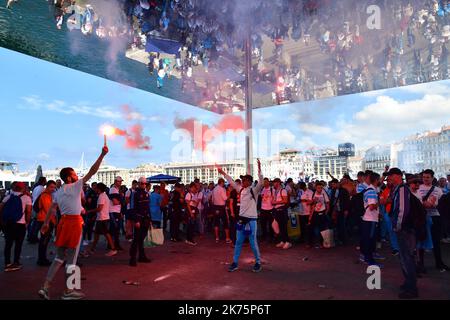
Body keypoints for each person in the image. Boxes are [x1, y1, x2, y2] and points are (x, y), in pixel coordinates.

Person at [38, 146, 108, 300]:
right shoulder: (76, 187)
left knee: (58, 257)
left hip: (62, 224)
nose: (77, 176)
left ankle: (45, 286)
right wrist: (102, 155)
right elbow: (92, 171)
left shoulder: (58, 191)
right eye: (75, 174)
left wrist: (45, 223)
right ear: (69, 178)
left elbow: (51, 208)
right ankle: (69, 291)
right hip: (74, 224)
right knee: (72, 260)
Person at [218, 159, 264, 273]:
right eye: (242, 179)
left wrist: (259, 169)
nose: (242, 181)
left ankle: (258, 262)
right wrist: (223, 173)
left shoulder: (254, 190)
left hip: (252, 220)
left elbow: (261, 182)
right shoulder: (241, 189)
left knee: (253, 242)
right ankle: (235, 262)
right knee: (238, 242)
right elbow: (232, 181)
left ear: (249, 181)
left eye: (244, 179)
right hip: (241, 220)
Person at [389, 167, 418, 299]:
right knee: (404, 257)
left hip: (405, 229)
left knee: (407, 258)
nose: (389, 178)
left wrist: (398, 226)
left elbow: (402, 210)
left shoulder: (401, 189)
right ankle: (408, 283)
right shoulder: (397, 189)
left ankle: (412, 288)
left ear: (398, 176)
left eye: (391, 176)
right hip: (404, 228)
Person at [418, 169, 449, 272]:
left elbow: (442, 204)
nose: (425, 179)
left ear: (432, 178)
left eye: (427, 177)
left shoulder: (438, 190)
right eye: (424, 177)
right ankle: (421, 264)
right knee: (422, 241)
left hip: (435, 217)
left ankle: (439, 263)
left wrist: (434, 204)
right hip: (423, 218)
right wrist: (425, 204)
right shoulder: (418, 188)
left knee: (436, 241)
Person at [0, 182, 32, 272]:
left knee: (8, 244)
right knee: (18, 244)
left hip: (9, 223)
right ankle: (16, 262)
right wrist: (27, 222)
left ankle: (7, 263)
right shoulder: (26, 198)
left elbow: (1, 207)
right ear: (23, 188)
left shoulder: (8, 196)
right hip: (20, 223)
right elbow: (29, 212)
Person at [87, 183, 117, 257]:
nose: (95, 189)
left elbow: (99, 208)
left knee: (106, 234)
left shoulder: (101, 196)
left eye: (96, 188)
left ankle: (113, 249)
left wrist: (90, 211)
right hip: (102, 218)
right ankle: (92, 249)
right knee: (97, 235)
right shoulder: (103, 195)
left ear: (99, 189)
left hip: (102, 219)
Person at [360, 172, 382, 266]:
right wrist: (381, 202)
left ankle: (367, 257)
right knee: (370, 239)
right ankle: (369, 260)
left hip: (369, 218)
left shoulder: (369, 190)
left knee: (369, 239)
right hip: (370, 219)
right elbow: (372, 206)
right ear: (376, 180)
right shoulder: (372, 191)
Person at [129, 177, 152, 267]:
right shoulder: (135, 194)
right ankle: (132, 258)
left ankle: (141, 256)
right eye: (142, 183)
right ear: (138, 183)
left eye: (145, 183)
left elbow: (147, 207)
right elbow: (133, 208)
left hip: (145, 219)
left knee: (141, 239)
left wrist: (150, 219)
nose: (144, 185)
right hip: (139, 219)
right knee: (136, 239)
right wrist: (136, 220)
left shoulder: (146, 194)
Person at [36, 181, 57, 266]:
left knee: (44, 241)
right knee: (44, 241)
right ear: (47, 187)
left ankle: (42, 258)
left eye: (54, 187)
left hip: (45, 220)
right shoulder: (45, 196)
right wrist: (53, 221)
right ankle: (41, 260)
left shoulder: (47, 195)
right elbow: (49, 209)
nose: (53, 189)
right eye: (51, 187)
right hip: (45, 221)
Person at [307, 181, 330, 248]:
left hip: (322, 213)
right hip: (315, 213)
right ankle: (317, 242)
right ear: (316, 188)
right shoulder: (314, 193)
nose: (319, 189)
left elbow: (328, 203)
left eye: (320, 188)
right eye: (318, 188)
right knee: (315, 228)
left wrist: (326, 212)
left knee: (322, 228)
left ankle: (322, 242)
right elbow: (311, 204)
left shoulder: (324, 193)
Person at [328, 179, 350, 245]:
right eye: (332, 185)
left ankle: (343, 240)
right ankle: (338, 239)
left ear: (337, 183)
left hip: (342, 209)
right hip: (335, 210)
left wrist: (346, 209)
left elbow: (347, 201)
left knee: (342, 225)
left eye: (334, 184)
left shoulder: (344, 190)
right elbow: (332, 200)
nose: (333, 186)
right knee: (336, 225)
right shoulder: (333, 190)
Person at [272, 178, 291, 249]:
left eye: (274, 182)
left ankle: (288, 242)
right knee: (280, 227)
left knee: (284, 227)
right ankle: (283, 241)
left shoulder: (283, 190)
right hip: (277, 210)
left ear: (278, 183)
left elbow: (285, 201)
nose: (273, 184)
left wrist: (275, 202)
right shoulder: (276, 191)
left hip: (282, 210)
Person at [211, 178, 230, 244]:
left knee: (216, 223)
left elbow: (212, 200)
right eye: (224, 183)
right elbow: (225, 198)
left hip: (215, 206)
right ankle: (227, 238)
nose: (224, 184)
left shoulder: (214, 189)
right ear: (221, 182)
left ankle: (217, 237)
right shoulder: (222, 189)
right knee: (225, 222)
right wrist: (229, 195)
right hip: (221, 207)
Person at [109, 176, 124, 251]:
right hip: (113, 212)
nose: (120, 183)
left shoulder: (116, 190)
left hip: (116, 211)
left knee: (115, 229)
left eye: (121, 181)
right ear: (115, 182)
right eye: (119, 181)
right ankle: (114, 245)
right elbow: (115, 202)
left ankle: (113, 244)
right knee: (115, 229)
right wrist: (120, 202)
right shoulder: (113, 190)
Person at [259, 178, 274, 243]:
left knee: (271, 224)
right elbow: (261, 197)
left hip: (270, 209)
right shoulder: (262, 189)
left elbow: (274, 198)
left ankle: (271, 237)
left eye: (266, 182)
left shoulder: (272, 189)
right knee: (263, 224)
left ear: (268, 182)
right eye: (264, 182)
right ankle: (264, 237)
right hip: (263, 209)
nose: (264, 183)